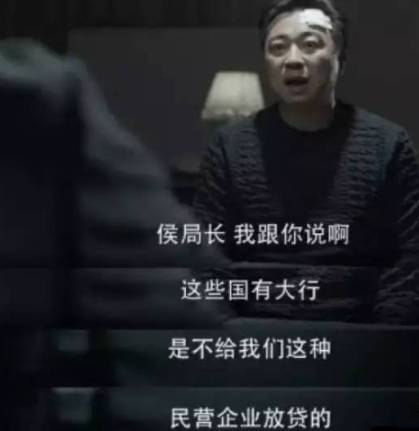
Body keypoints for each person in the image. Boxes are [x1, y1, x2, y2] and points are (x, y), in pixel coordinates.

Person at [194, 0, 419, 324]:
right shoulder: (229, 146)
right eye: (278, 48)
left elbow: (410, 258)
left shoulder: (388, 144)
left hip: (360, 328)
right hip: (255, 329)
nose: (293, 60)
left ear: (341, 56)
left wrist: (385, 333)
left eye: (310, 44)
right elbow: (206, 259)